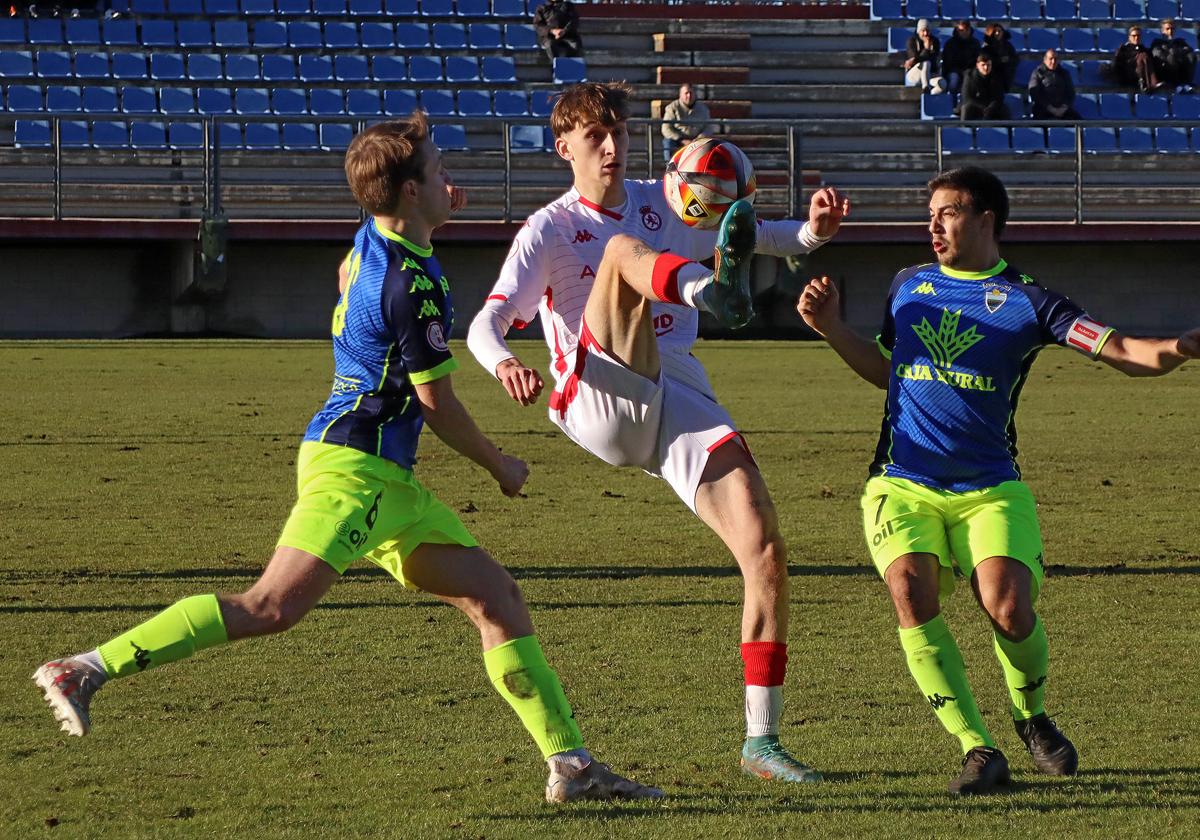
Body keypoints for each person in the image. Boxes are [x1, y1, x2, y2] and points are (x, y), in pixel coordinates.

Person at [32, 114, 661, 805]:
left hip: (381, 476)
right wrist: (498, 464)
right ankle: (86, 667)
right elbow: (435, 405)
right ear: (410, 193)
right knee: (269, 607)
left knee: (496, 599)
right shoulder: (411, 287)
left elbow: (351, 274)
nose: (452, 175)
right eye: (437, 167)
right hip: (356, 470)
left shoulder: (375, 242)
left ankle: (572, 768)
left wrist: (424, 223)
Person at [467, 82, 850, 784]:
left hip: (678, 390)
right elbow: (484, 324)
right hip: (596, 394)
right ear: (565, 150)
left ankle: (760, 743)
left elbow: (758, 232)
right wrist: (502, 366)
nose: (611, 147)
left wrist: (814, 233)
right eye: (593, 138)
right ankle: (711, 291)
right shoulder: (549, 229)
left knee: (763, 546)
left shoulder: (662, 196)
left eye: (615, 132)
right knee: (620, 253)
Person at [797, 166, 1200, 796]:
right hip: (902, 482)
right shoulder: (908, 285)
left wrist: (1178, 347)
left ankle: (1030, 715)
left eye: (948, 212)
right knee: (909, 588)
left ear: (987, 219)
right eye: (929, 213)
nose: (933, 225)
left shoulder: (1032, 300)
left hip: (990, 486)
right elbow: (888, 372)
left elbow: (1121, 351)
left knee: (1009, 609)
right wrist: (832, 330)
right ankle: (976, 747)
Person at [661, 82, 718, 163]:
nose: (689, 96)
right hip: (678, 140)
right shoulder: (672, 107)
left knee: (712, 144)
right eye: (686, 93)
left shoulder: (703, 109)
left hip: (698, 140)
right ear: (680, 95)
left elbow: (708, 127)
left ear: (695, 94)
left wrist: (700, 138)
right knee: (668, 142)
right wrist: (681, 139)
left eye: (691, 93)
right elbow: (666, 128)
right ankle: (670, 167)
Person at [1028, 49, 1080, 121]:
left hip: (1063, 110)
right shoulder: (1037, 73)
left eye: (1055, 59)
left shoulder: (1064, 73)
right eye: (1051, 59)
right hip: (1043, 110)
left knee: (1079, 123)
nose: (1053, 62)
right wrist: (1050, 108)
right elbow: (1034, 94)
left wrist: (1064, 107)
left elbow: (1070, 93)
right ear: (1045, 59)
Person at [960, 54, 1010, 121]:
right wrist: (982, 107)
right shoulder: (969, 77)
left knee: (1004, 109)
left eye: (988, 65)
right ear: (977, 65)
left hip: (991, 107)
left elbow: (998, 97)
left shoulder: (996, 76)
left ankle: (1007, 130)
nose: (986, 68)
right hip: (976, 106)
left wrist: (990, 107)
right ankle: (964, 130)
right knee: (966, 108)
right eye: (983, 65)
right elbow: (967, 97)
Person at [1112, 25, 1162, 92]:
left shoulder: (1144, 49)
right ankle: (1151, 83)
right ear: (1129, 37)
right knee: (1142, 56)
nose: (1136, 38)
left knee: (1145, 56)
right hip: (1129, 75)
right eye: (1134, 36)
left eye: (1138, 36)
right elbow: (1117, 64)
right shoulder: (1123, 49)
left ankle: (1145, 83)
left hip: (1142, 75)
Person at [1150, 19, 1196, 90]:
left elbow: (1188, 50)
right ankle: (1176, 84)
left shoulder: (1179, 42)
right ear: (1162, 31)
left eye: (1172, 29)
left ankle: (1185, 83)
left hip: (1178, 70)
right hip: (1164, 72)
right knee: (1171, 57)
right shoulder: (1157, 43)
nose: (1170, 31)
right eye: (1167, 29)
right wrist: (1175, 52)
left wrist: (1176, 51)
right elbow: (1158, 54)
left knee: (1191, 56)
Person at [904, 19, 944, 94]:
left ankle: (928, 97)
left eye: (927, 31)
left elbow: (934, 59)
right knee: (925, 63)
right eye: (923, 31)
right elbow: (915, 60)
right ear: (919, 31)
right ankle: (925, 87)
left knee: (942, 83)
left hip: (930, 74)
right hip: (914, 74)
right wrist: (926, 49)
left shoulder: (935, 41)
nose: (926, 34)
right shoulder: (912, 41)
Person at [941, 20, 982, 93]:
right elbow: (948, 62)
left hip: (970, 70)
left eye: (967, 30)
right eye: (961, 30)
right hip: (954, 70)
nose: (964, 32)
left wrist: (968, 70)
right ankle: (951, 99)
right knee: (953, 80)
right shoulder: (950, 44)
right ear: (957, 30)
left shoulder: (975, 43)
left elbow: (978, 59)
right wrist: (960, 71)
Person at [982, 22, 1018, 91]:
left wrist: (1008, 59)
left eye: (999, 31)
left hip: (1006, 74)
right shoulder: (986, 47)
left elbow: (1015, 59)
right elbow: (984, 60)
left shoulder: (1008, 45)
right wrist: (999, 60)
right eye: (995, 31)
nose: (997, 33)